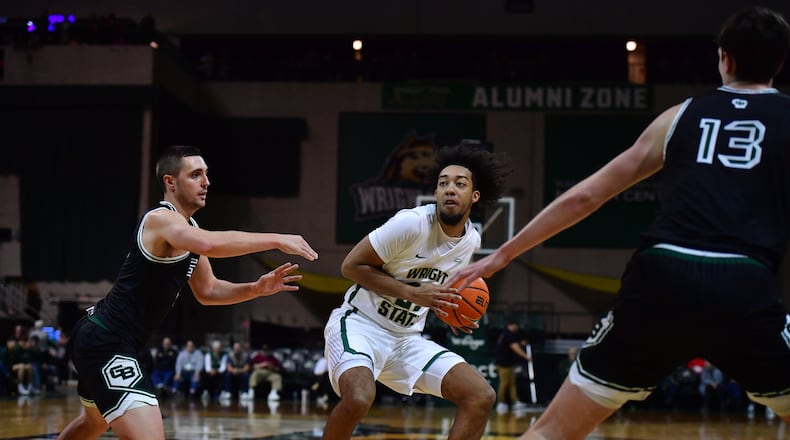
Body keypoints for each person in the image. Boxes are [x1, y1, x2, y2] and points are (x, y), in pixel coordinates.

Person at [448, 7, 790, 439]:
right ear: (780, 62)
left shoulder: (681, 115)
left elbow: (587, 195)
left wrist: (500, 256)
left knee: (550, 431)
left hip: (661, 276)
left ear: (724, 58)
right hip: (744, 281)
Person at [57, 145, 318, 440]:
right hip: (105, 340)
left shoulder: (188, 227)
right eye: (196, 175)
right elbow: (208, 244)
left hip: (116, 341)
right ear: (170, 182)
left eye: (206, 174)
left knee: (93, 423)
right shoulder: (161, 219)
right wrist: (276, 239)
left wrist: (256, 289)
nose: (206, 182)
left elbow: (208, 290)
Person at [322, 142, 510, 440]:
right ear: (435, 193)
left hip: (407, 339)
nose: (450, 189)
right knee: (358, 398)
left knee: (480, 395)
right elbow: (351, 267)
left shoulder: (470, 242)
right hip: (360, 325)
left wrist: (451, 310)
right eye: (443, 183)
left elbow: (440, 288)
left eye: (459, 184)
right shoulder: (411, 224)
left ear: (474, 196)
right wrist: (411, 295)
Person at [494, 320, 531, 413]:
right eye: (516, 325)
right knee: (504, 383)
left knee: (512, 383)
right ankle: (500, 403)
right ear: (512, 325)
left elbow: (515, 345)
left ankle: (515, 402)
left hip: (509, 363)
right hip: (503, 363)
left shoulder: (506, 334)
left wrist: (521, 343)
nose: (517, 328)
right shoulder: (507, 335)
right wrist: (526, 356)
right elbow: (515, 348)